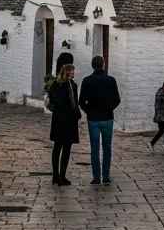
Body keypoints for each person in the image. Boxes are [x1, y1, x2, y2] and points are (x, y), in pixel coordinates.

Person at [78, 55, 121, 185]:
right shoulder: (110, 80)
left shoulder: (87, 80)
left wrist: (89, 111)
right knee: (107, 148)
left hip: (93, 119)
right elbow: (117, 99)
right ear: (103, 64)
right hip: (107, 118)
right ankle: (106, 176)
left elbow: (81, 101)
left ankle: (96, 178)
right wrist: (109, 109)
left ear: (92, 65)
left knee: (95, 149)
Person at [48, 53, 79, 186]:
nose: (74, 73)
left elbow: (52, 101)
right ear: (68, 72)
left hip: (57, 120)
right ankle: (62, 176)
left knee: (56, 147)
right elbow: (74, 104)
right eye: (72, 71)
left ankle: (55, 176)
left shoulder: (55, 84)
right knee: (66, 149)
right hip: (69, 121)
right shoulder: (71, 86)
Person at [149, 80, 164, 153]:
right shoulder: (160, 93)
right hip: (161, 116)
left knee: (162, 131)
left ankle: (152, 143)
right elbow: (160, 106)